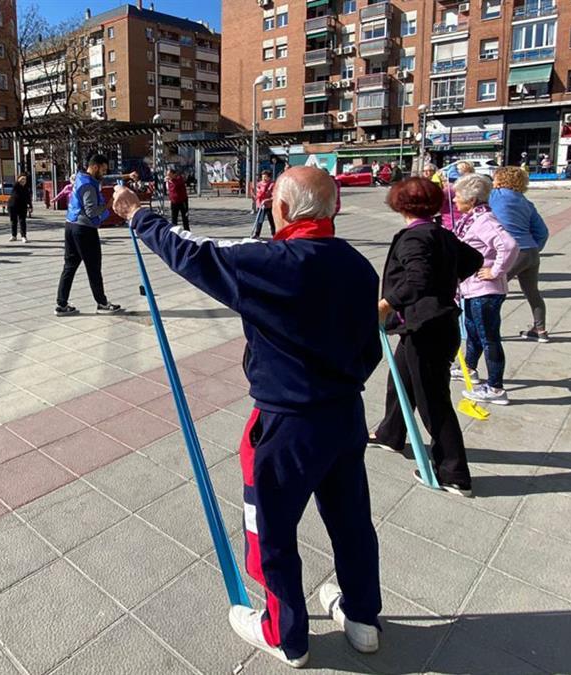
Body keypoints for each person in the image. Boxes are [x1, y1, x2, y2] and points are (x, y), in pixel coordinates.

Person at [112, 166, 384, 667]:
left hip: (286, 424)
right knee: (351, 520)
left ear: (279, 209)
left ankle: (286, 634)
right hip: (345, 415)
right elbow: (372, 348)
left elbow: (191, 251)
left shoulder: (271, 261)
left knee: (272, 529)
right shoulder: (358, 265)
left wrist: (136, 214)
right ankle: (363, 616)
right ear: (337, 210)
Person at [371, 177, 483, 497]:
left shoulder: (414, 238)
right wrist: (444, 282)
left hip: (428, 328)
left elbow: (417, 279)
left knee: (433, 401)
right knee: (401, 379)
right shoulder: (440, 233)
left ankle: (453, 472)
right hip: (428, 325)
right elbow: (473, 259)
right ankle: (390, 433)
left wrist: (386, 303)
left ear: (399, 204)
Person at [451, 174, 518, 405]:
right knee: (473, 331)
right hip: (472, 288)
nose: (454, 200)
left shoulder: (485, 220)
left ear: (471, 199)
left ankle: (496, 388)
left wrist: (496, 270)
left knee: (489, 337)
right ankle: (469, 368)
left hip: (485, 290)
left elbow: (508, 245)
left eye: (457, 196)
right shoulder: (471, 219)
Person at [55, 154, 122, 316]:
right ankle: (102, 303)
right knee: (93, 267)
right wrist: (108, 204)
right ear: (95, 167)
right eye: (103, 170)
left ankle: (61, 304)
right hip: (84, 229)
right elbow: (91, 211)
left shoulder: (80, 178)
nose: (104, 174)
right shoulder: (88, 185)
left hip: (71, 225)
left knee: (69, 266)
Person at [490, 166, 550, 342]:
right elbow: (543, 232)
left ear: (501, 180)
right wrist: (534, 248)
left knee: (493, 291)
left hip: (512, 251)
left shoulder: (495, 195)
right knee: (532, 292)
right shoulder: (525, 202)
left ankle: (489, 332)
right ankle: (541, 330)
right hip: (531, 252)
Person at [251, 170, 276, 238]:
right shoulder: (259, 184)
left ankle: (274, 234)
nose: (264, 179)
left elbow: (274, 196)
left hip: (268, 205)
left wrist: (268, 200)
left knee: (271, 220)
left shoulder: (272, 184)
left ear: (269, 177)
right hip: (260, 205)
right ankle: (257, 234)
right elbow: (253, 192)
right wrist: (255, 197)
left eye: (265, 177)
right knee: (260, 220)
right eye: (263, 177)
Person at [8, 174, 32, 242]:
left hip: (22, 206)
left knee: (22, 221)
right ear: (18, 180)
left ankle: (23, 236)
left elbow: (28, 198)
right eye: (22, 179)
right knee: (13, 221)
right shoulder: (16, 186)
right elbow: (16, 184)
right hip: (13, 205)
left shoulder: (27, 188)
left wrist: (30, 206)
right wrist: (19, 180)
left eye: (24, 179)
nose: (23, 181)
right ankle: (14, 236)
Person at [166, 166, 190, 231]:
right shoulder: (169, 181)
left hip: (182, 201)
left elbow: (176, 185)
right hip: (174, 201)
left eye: (170, 175)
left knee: (185, 217)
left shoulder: (179, 179)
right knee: (174, 218)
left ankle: (187, 230)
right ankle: (174, 231)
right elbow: (168, 189)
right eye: (168, 175)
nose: (168, 176)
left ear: (174, 174)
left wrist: (170, 180)